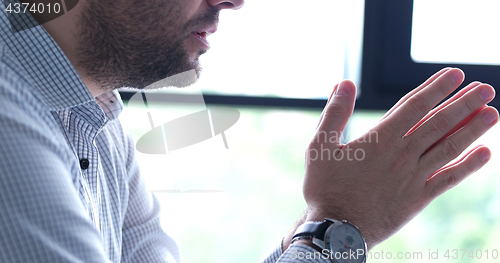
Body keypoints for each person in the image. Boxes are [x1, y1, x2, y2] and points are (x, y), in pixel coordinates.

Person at [0, 0, 497, 262]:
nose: (234, 1)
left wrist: (324, 227)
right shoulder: (10, 118)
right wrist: (340, 228)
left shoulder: (92, 109)